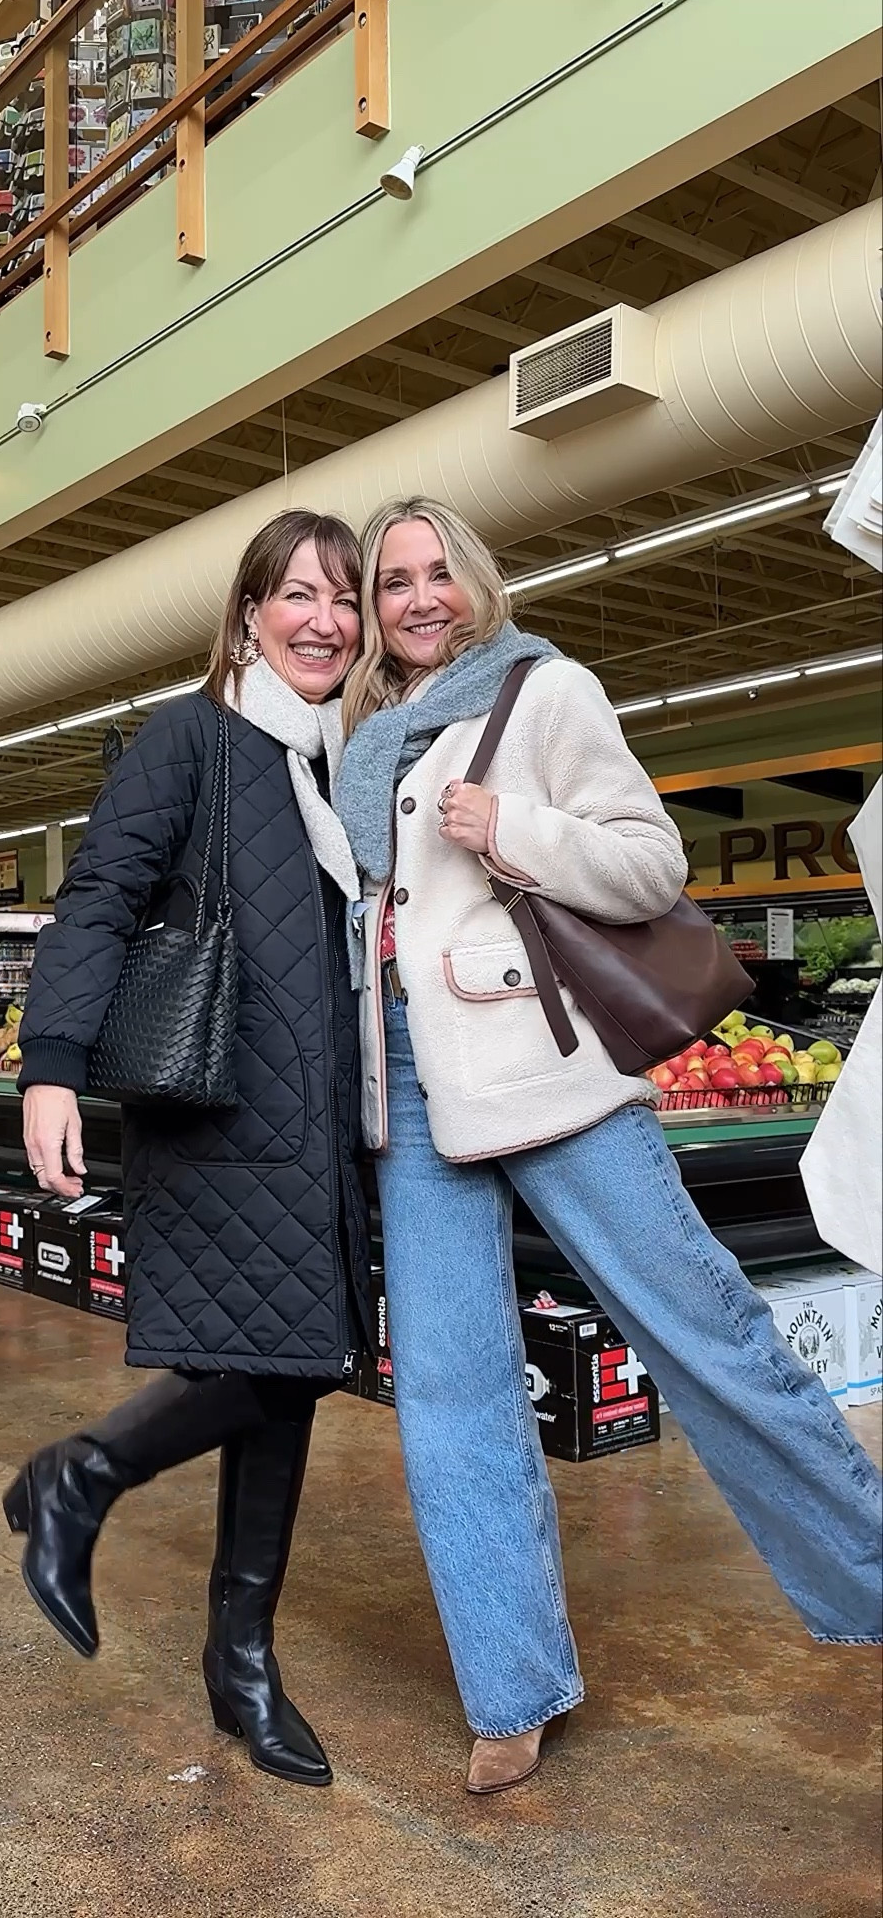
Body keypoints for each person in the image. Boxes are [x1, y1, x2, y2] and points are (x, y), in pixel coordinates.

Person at [334, 495, 883, 1798]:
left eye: (436, 574)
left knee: (708, 1337)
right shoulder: (364, 742)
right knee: (451, 1397)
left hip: (549, 1075)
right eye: (390, 581)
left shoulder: (544, 691)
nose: (417, 599)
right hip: (409, 1090)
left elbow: (648, 869)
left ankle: (868, 1573)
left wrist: (509, 829)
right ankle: (511, 1691)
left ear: (477, 579)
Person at [8, 508, 373, 1788]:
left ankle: (234, 1651)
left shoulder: (343, 768)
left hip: (322, 1130)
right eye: (299, 596)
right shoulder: (195, 736)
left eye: (344, 599)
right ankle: (92, 1485)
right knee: (281, 1360)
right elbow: (100, 893)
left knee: (295, 1365)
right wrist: (50, 1067)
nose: (325, 619)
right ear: (248, 615)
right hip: (218, 1111)